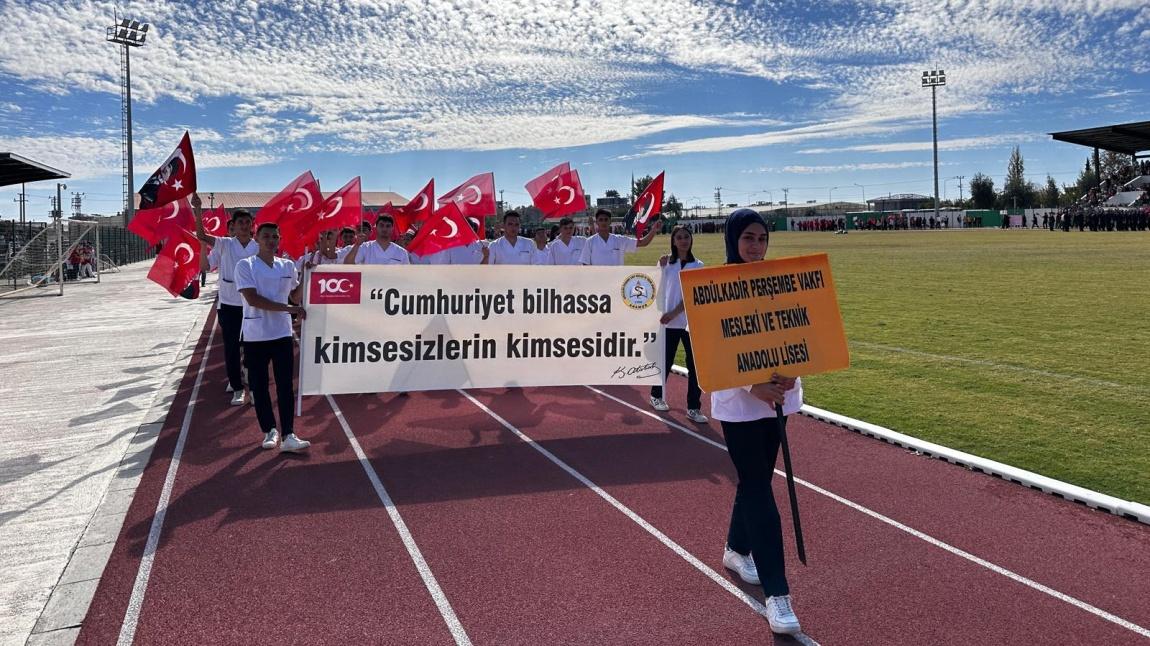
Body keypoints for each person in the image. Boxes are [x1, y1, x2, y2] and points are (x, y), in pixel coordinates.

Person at [712, 208, 803, 636]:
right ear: (733, 240)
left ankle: (736, 548)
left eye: (762, 239)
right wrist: (751, 387)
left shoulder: (779, 282)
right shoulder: (713, 286)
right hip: (740, 403)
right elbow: (709, 344)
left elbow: (800, 331)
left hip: (778, 397)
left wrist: (793, 370)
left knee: (756, 480)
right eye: (748, 238)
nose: (756, 246)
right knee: (758, 488)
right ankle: (777, 592)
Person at [235, 223, 310, 453]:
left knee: (285, 385)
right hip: (256, 335)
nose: (270, 240)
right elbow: (253, 299)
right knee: (259, 385)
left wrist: (308, 275)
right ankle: (269, 429)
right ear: (257, 238)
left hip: (281, 333)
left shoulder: (287, 266)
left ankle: (289, 434)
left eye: (274, 237)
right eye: (265, 236)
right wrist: (289, 309)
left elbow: (295, 297)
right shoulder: (245, 265)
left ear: (280, 239)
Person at [193, 194, 257, 406]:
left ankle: (253, 384)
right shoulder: (224, 244)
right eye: (241, 223)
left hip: (252, 306)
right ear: (234, 226)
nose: (244, 226)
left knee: (252, 348)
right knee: (231, 348)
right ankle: (237, 388)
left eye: (248, 222)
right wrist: (198, 210)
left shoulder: (258, 247)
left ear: (252, 225)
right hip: (229, 306)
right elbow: (201, 234)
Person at [648, 225, 706, 423]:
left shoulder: (698, 265)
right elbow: (656, 288)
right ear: (673, 241)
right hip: (668, 324)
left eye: (686, 237)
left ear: (691, 240)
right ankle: (656, 395)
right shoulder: (666, 263)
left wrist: (674, 313)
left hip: (691, 324)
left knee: (695, 366)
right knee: (664, 361)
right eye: (679, 237)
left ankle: (693, 407)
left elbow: (693, 296)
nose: (683, 240)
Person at [580, 208, 657, 265]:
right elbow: (585, 263)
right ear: (596, 222)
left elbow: (643, 242)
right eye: (601, 220)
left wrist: (654, 229)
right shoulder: (590, 241)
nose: (604, 222)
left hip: (617, 281)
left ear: (610, 221)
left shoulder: (619, 240)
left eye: (606, 219)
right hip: (598, 282)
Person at [344, 214, 409, 265]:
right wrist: (357, 244)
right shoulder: (365, 247)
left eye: (388, 226)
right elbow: (347, 264)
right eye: (381, 225)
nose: (384, 229)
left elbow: (406, 275)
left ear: (392, 228)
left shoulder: (402, 252)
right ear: (376, 227)